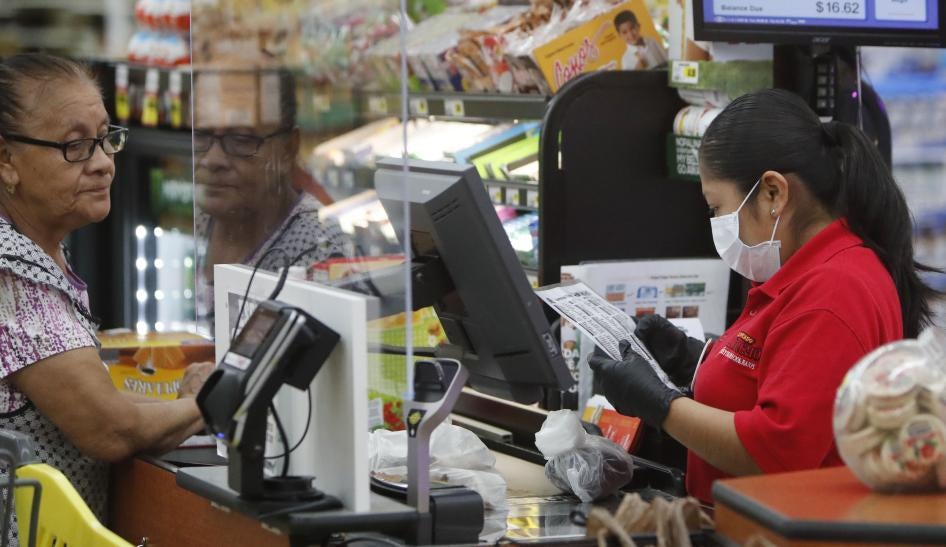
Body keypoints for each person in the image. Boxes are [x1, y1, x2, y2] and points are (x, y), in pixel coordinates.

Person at [590, 89, 936, 504]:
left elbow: (777, 449)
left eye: (717, 207)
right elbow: (773, 375)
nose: (716, 223)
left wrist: (662, 407)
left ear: (773, 193)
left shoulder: (835, 290)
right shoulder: (803, 273)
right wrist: (693, 360)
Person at [0, 52, 212, 539]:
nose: (102, 164)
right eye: (75, 146)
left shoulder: (38, 249)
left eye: (104, 139)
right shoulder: (13, 277)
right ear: (6, 159)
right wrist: (211, 401)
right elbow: (111, 429)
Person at [193, 68, 349, 330]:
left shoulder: (317, 247)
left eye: (241, 139)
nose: (213, 159)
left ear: (288, 148)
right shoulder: (199, 218)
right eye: (201, 135)